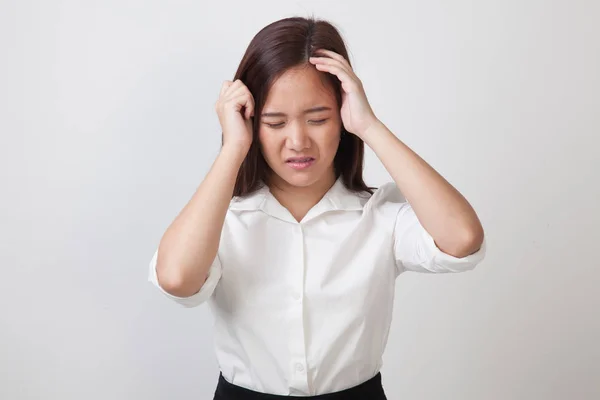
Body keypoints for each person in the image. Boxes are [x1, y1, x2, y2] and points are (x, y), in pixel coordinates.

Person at [148, 16, 486, 400]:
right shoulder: (223, 218)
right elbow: (176, 278)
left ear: (342, 117)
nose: (298, 141)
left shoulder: (378, 214)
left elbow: (462, 239)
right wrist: (232, 148)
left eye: (318, 119)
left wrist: (370, 126)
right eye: (275, 122)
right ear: (252, 123)